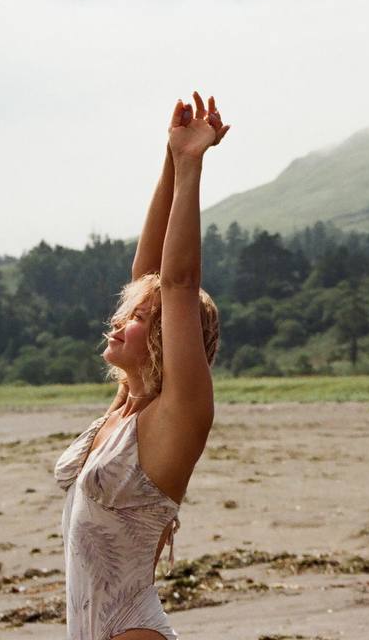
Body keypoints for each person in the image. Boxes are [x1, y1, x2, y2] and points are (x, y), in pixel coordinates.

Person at [53, 92, 229, 640]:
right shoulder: (127, 408)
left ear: (164, 340)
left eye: (136, 318)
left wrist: (194, 165)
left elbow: (176, 283)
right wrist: (171, 156)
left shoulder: (177, 416)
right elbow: (149, 272)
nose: (118, 319)